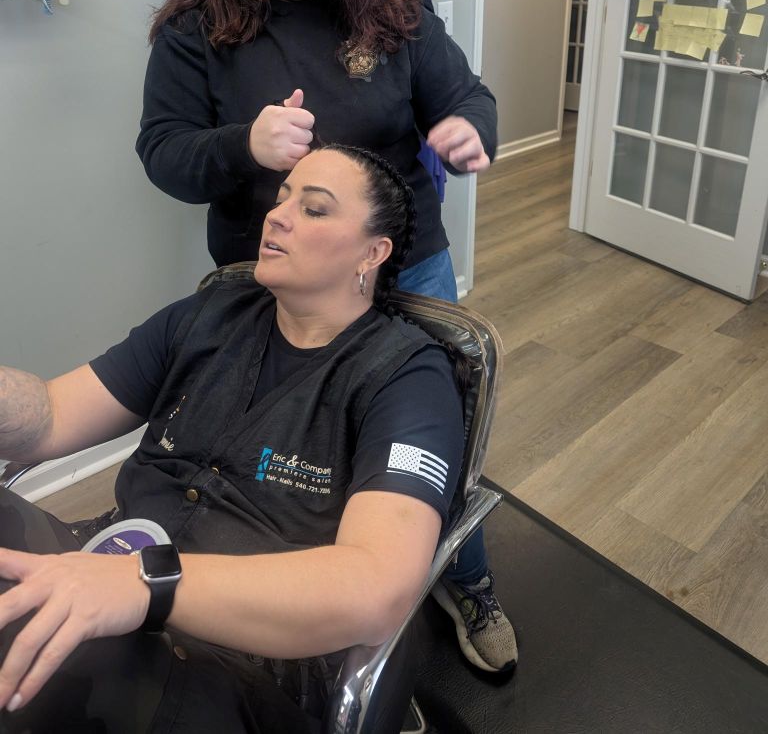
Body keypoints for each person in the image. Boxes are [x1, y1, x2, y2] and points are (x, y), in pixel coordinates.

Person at [136, 0, 515, 672]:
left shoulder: (387, 6)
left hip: (402, 263)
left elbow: (466, 91)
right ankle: (277, 606)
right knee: (285, 451)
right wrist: (244, 145)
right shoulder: (199, 26)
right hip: (272, 280)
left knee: (427, 436)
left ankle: (468, 581)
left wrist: (464, 124)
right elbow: (162, 153)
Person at [0, 147, 464, 732]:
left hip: (246, 663)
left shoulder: (406, 377)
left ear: (372, 253)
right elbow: (50, 415)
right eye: (283, 197)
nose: (279, 215)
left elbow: (374, 590)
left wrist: (146, 586)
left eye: (315, 209)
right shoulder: (210, 314)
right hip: (108, 566)